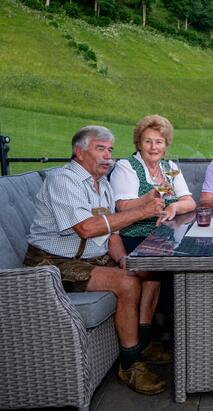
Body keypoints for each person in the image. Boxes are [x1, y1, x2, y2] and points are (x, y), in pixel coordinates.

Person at [23, 125, 171, 395]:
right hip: (52, 263)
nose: (108, 156)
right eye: (100, 149)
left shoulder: (102, 184)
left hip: (93, 258)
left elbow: (112, 235)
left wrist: (125, 260)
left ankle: (144, 341)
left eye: (111, 150)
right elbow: (88, 228)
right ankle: (130, 365)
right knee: (127, 283)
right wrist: (141, 212)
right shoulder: (63, 180)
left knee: (148, 271)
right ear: (79, 152)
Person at [110, 114, 196, 253]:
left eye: (159, 142)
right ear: (139, 144)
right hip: (138, 237)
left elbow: (190, 202)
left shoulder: (170, 167)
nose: (153, 147)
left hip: (168, 236)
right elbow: (123, 207)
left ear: (166, 144)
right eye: (148, 141)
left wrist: (174, 206)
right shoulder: (126, 166)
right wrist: (150, 196)